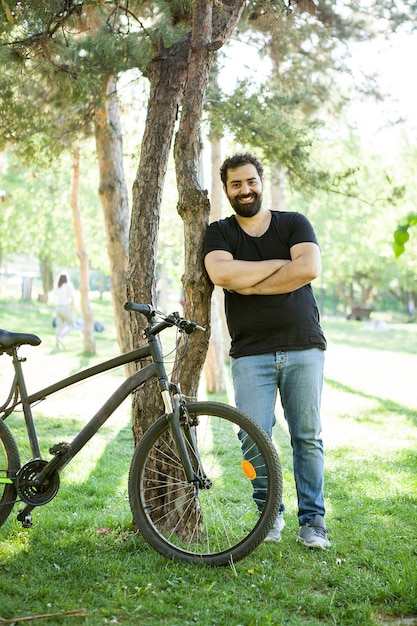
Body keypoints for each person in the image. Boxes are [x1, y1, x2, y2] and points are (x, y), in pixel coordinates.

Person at [203, 153, 330, 549]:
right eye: (236, 184)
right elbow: (222, 274)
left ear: (262, 181)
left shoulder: (294, 223)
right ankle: (270, 514)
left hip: (302, 346)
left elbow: (307, 269)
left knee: (306, 436)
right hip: (250, 353)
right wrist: (280, 268)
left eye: (250, 181)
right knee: (252, 437)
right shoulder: (219, 233)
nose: (245, 190)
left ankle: (313, 522)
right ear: (226, 190)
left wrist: (250, 281)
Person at [55, 273, 75, 348]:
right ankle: (61, 337)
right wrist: (74, 307)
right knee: (72, 325)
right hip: (65, 307)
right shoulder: (68, 286)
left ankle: (57, 343)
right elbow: (72, 297)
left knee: (59, 327)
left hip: (58, 307)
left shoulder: (58, 287)